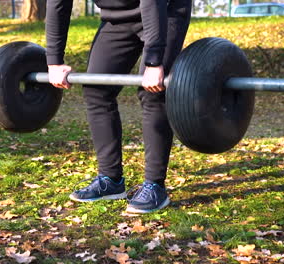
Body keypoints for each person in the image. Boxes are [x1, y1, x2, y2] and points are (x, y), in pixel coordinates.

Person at [46, 0, 192, 213]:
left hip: (165, 11)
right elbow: (58, 4)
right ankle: (110, 180)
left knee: (152, 92)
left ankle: (155, 186)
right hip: (116, 18)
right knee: (96, 89)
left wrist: (154, 61)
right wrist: (54, 60)